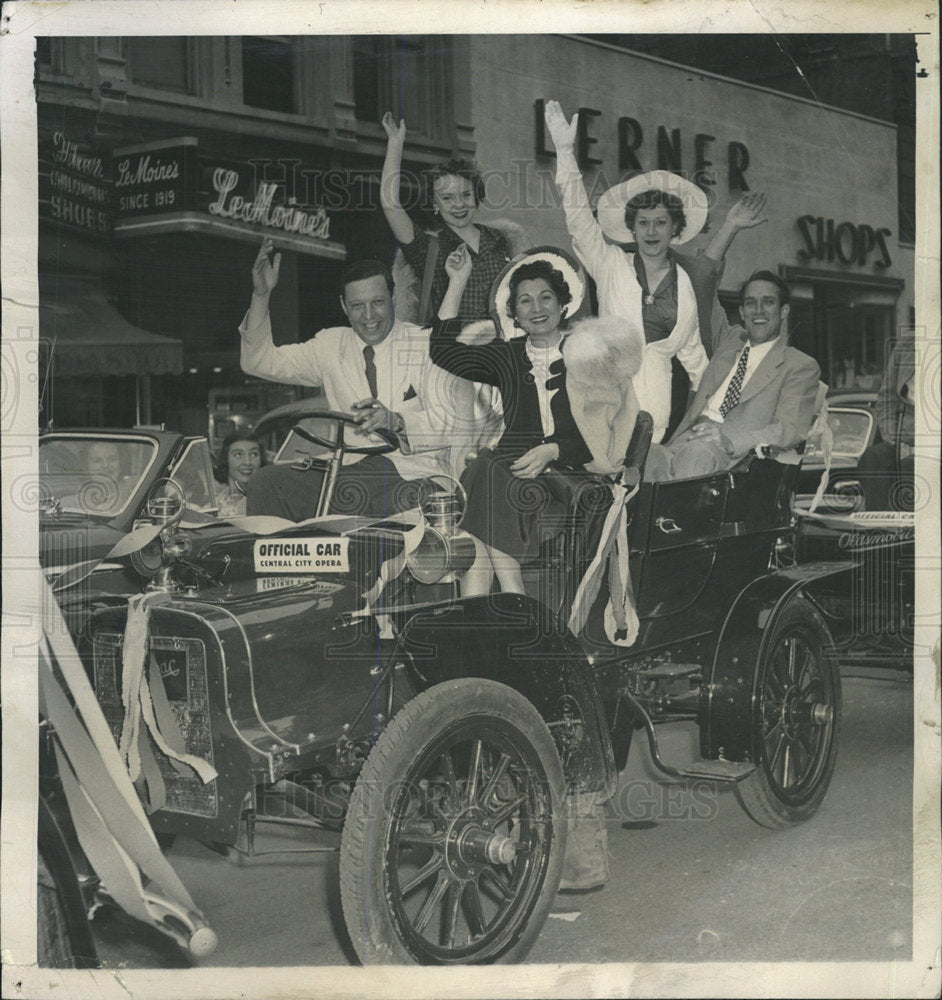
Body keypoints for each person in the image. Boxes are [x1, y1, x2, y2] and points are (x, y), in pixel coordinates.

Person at [543, 99, 768, 444]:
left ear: (675, 228)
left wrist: (709, 421)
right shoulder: (611, 264)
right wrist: (565, 153)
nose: (651, 231)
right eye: (643, 223)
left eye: (661, 222)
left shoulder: (688, 285)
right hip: (604, 413)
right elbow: (578, 221)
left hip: (658, 425)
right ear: (631, 228)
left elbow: (698, 366)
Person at [239, 239, 461, 520]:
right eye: (357, 306)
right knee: (266, 482)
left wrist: (399, 421)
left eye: (377, 303)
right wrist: (261, 295)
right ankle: (286, 565)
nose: (369, 316)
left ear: (392, 298)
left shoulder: (426, 343)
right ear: (343, 306)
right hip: (347, 471)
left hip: (411, 471)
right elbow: (258, 361)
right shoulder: (330, 344)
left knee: (400, 502)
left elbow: (453, 420)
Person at [431, 244, 599, 597]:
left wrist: (553, 450)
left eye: (545, 298)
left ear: (562, 302)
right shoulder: (508, 356)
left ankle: (503, 594)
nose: (536, 309)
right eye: (525, 301)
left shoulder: (587, 354)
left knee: (483, 474)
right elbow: (443, 351)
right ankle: (492, 601)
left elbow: (607, 433)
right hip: (510, 478)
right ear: (515, 313)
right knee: (485, 471)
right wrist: (457, 281)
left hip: (565, 480)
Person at [644, 271, 820, 481]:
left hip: (734, 458)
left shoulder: (799, 365)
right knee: (648, 455)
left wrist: (729, 441)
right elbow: (704, 290)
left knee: (697, 453)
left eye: (768, 302)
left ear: (784, 311)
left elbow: (789, 429)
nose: (758, 311)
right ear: (742, 312)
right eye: (750, 303)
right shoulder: (728, 341)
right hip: (685, 441)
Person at [855, 333, 916, 511]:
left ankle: (915, 535)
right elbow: (887, 399)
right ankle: (879, 532)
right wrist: (894, 440)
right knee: (873, 458)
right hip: (904, 438)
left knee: (910, 466)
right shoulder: (907, 343)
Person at [213, 431, 266, 518]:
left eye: (253, 454)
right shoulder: (217, 499)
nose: (247, 462)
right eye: (238, 455)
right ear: (226, 459)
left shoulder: (266, 500)